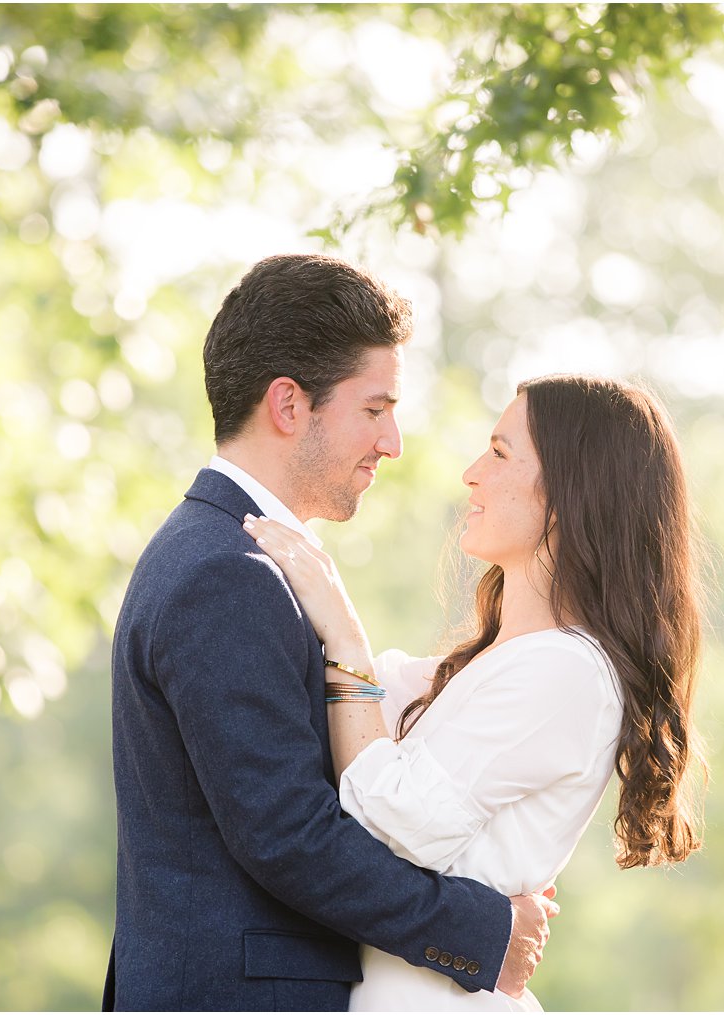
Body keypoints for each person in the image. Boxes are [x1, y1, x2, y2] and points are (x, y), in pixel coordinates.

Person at [104, 254, 556, 1011]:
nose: (393, 442)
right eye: (374, 409)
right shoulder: (226, 574)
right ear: (288, 405)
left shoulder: (233, 556)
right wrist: (481, 930)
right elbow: (288, 835)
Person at [243, 373, 709, 1011]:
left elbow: (392, 820)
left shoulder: (565, 673)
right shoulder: (498, 666)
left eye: (499, 453)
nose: (471, 473)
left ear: (571, 492)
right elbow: (357, 716)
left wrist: (345, 639)